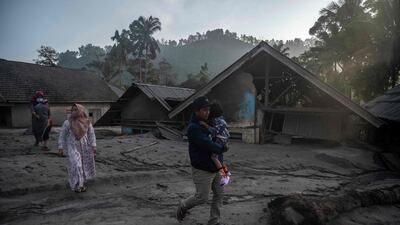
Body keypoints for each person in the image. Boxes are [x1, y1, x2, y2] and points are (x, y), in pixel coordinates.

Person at [176, 96, 228, 225]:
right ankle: (183, 205)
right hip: (203, 168)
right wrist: (222, 148)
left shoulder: (212, 121)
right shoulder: (194, 128)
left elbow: (219, 136)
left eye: (208, 110)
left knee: (220, 194)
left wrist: (223, 168)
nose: (207, 112)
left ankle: (214, 222)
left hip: (219, 165)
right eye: (204, 110)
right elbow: (206, 144)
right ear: (196, 111)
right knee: (202, 197)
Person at [58, 103, 96, 193]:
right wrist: (60, 146)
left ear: (81, 110)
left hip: (85, 147)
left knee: (83, 166)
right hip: (72, 146)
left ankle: (81, 184)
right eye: (72, 110)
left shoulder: (87, 122)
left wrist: (93, 146)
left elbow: (91, 134)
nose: (74, 112)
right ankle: (76, 184)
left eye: (76, 110)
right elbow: (62, 135)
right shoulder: (68, 122)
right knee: (76, 164)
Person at [199, 102, 231, 186]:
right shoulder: (222, 119)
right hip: (225, 140)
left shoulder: (217, 121)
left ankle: (225, 176)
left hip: (220, 140)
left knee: (214, 157)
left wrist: (205, 125)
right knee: (220, 159)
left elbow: (215, 131)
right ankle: (226, 173)